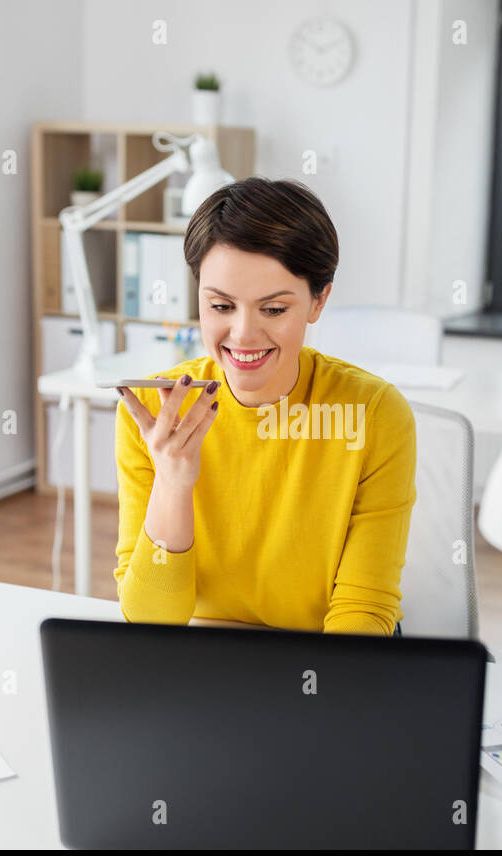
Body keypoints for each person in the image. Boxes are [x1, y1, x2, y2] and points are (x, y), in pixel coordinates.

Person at [113, 177, 416, 635]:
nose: (243, 335)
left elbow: (364, 609)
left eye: (273, 310)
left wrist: (313, 694)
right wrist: (172, 482)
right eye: (220, 305)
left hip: (320, 663)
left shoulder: (374, 413)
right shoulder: (157, 414)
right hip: (202, 656)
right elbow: (150, 621)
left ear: (319, 300)